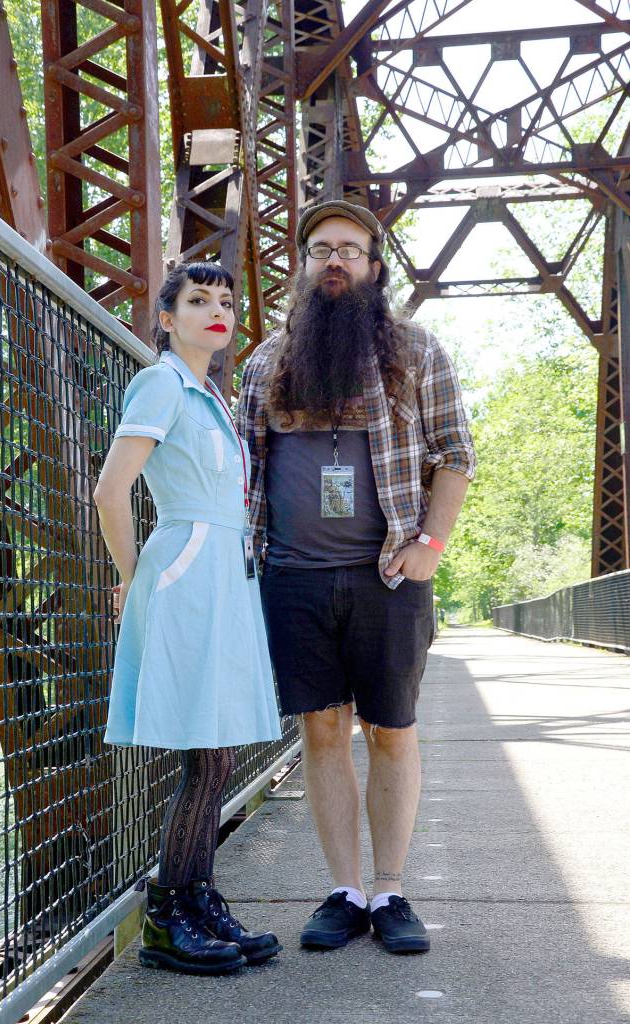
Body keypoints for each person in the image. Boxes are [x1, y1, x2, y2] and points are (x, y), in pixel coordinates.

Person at [236, 198, 476, 955]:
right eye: (319, 249)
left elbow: (455, 455)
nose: (333, 260)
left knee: (393, 732)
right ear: (302, 267)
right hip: (293, 578)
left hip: (388, 578)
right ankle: (343, 891)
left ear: (374, 267)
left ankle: (392, 889)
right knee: (321, 730)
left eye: (349, 248)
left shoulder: (416, 353)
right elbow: (243, 472)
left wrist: (430, 544)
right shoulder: (265, 361)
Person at [94, 261, 282, 975]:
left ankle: (197, 899)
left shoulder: (207, 396)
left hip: (219, 580)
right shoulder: (161, 382)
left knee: (217, 754)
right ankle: (168, 918)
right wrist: (136, 578)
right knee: (205, 755)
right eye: (197, 300)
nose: (217, 311)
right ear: (166, 319)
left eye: (226, 302)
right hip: (186, 577)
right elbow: (111, 492)